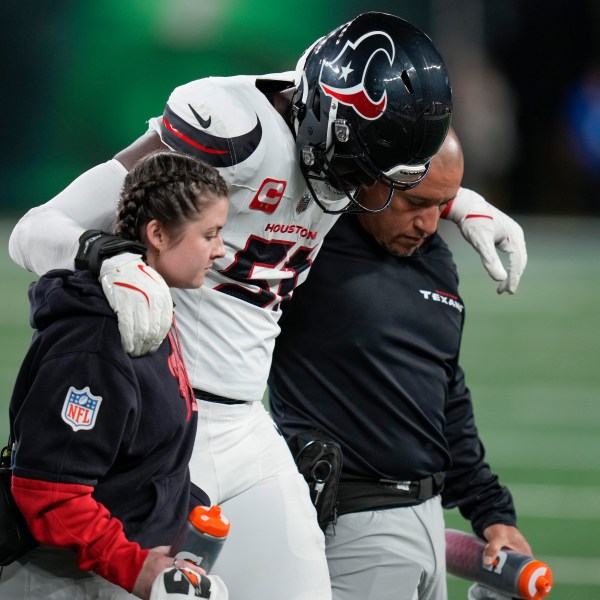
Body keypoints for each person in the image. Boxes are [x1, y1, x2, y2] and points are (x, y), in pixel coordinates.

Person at [8, 12, 525, 600]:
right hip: (157, 423)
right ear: (323, 123)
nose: (363, 192)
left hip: (248, 425)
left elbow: (386, 172)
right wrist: (108, 256)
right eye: (360, 170)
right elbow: (35, 231)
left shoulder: (356, 148)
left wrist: (460, 201)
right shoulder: (236, 132)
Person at [268, 129, 533, 600]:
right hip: (351, 523)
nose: (429, 223)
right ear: (370, 178)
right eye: (415, 203)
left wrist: (493, 515)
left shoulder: (435, 258)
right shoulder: (311, 242)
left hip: (430, 519)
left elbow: (446, 396)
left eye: (442, 206)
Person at [1, 151, 229, 600]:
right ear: (158, 234)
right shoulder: (95, 337)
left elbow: (144, 464)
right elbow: (49, 494)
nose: (221, 250)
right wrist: (141, 571)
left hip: (110, 570)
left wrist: (184, 529)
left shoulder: (149, 313)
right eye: (210, 234)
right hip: (61, 580)